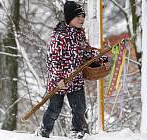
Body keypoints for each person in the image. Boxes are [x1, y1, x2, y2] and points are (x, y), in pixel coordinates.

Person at [35, 1, 108, 139]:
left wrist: (99, 58)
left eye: (83, 16)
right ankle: (43, 131)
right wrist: (58, 79)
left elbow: (86, 52)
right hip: (60, 81)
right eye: (78, 16)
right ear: (69, 18)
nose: (82, 19)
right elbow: (53, 59)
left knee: (79, 108)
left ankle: (76, 131)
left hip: (75, 80)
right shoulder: (59, 36)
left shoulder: (80, 34)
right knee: (54, 109)